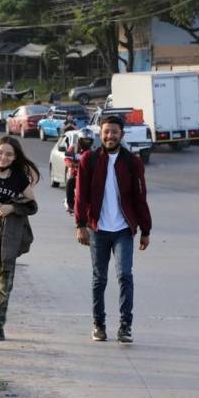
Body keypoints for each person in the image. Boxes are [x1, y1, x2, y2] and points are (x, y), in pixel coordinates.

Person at [75, 115, 152, 344]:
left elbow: (140, 197)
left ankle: (125, 326)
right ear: (100, 133)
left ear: (122, 135)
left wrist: (145, 229)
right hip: (98, 229)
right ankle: (98, 324)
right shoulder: (89, 159)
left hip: (123, 230)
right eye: (106, 132)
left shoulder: (132, 161)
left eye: (114, 132)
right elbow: (81, 195)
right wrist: (80, 225)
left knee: (125, 275)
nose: (110, 136)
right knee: (99, 278)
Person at [0, 136, 39, 345]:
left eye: (9, 154)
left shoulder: (19, 178)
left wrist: (13, 207)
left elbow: (32, 205)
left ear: (15, 157)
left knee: (4, 283)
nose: (3, 157)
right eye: (0, 152)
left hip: (8, 233)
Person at [64, 129, 95, 214]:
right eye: (85, 140)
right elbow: (67, 159)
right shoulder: (73, 148)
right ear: (80, 139)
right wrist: (73, 165)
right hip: (76, 175)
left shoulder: (93, 151)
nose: (87, 142)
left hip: (89, 176)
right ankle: (70, 204)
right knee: (70, 183)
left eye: (88, 140)